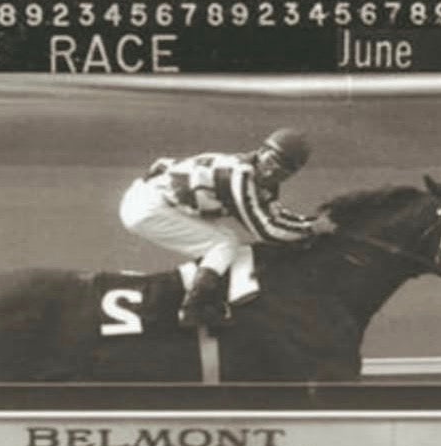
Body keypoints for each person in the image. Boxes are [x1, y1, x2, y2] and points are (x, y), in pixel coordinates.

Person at [118, 128, 337, 331]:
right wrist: (312, 228)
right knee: (224, 244)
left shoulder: (256, 174)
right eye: (271, 162)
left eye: (282, 173)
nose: (271, 173)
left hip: (154, 200)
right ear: (261, 151)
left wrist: (311, 222)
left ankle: (207, 298)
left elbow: (276, 215)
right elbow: (265, 230)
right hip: (147, 207)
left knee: (226, 242)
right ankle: (194, 308)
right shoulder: (239, 175)